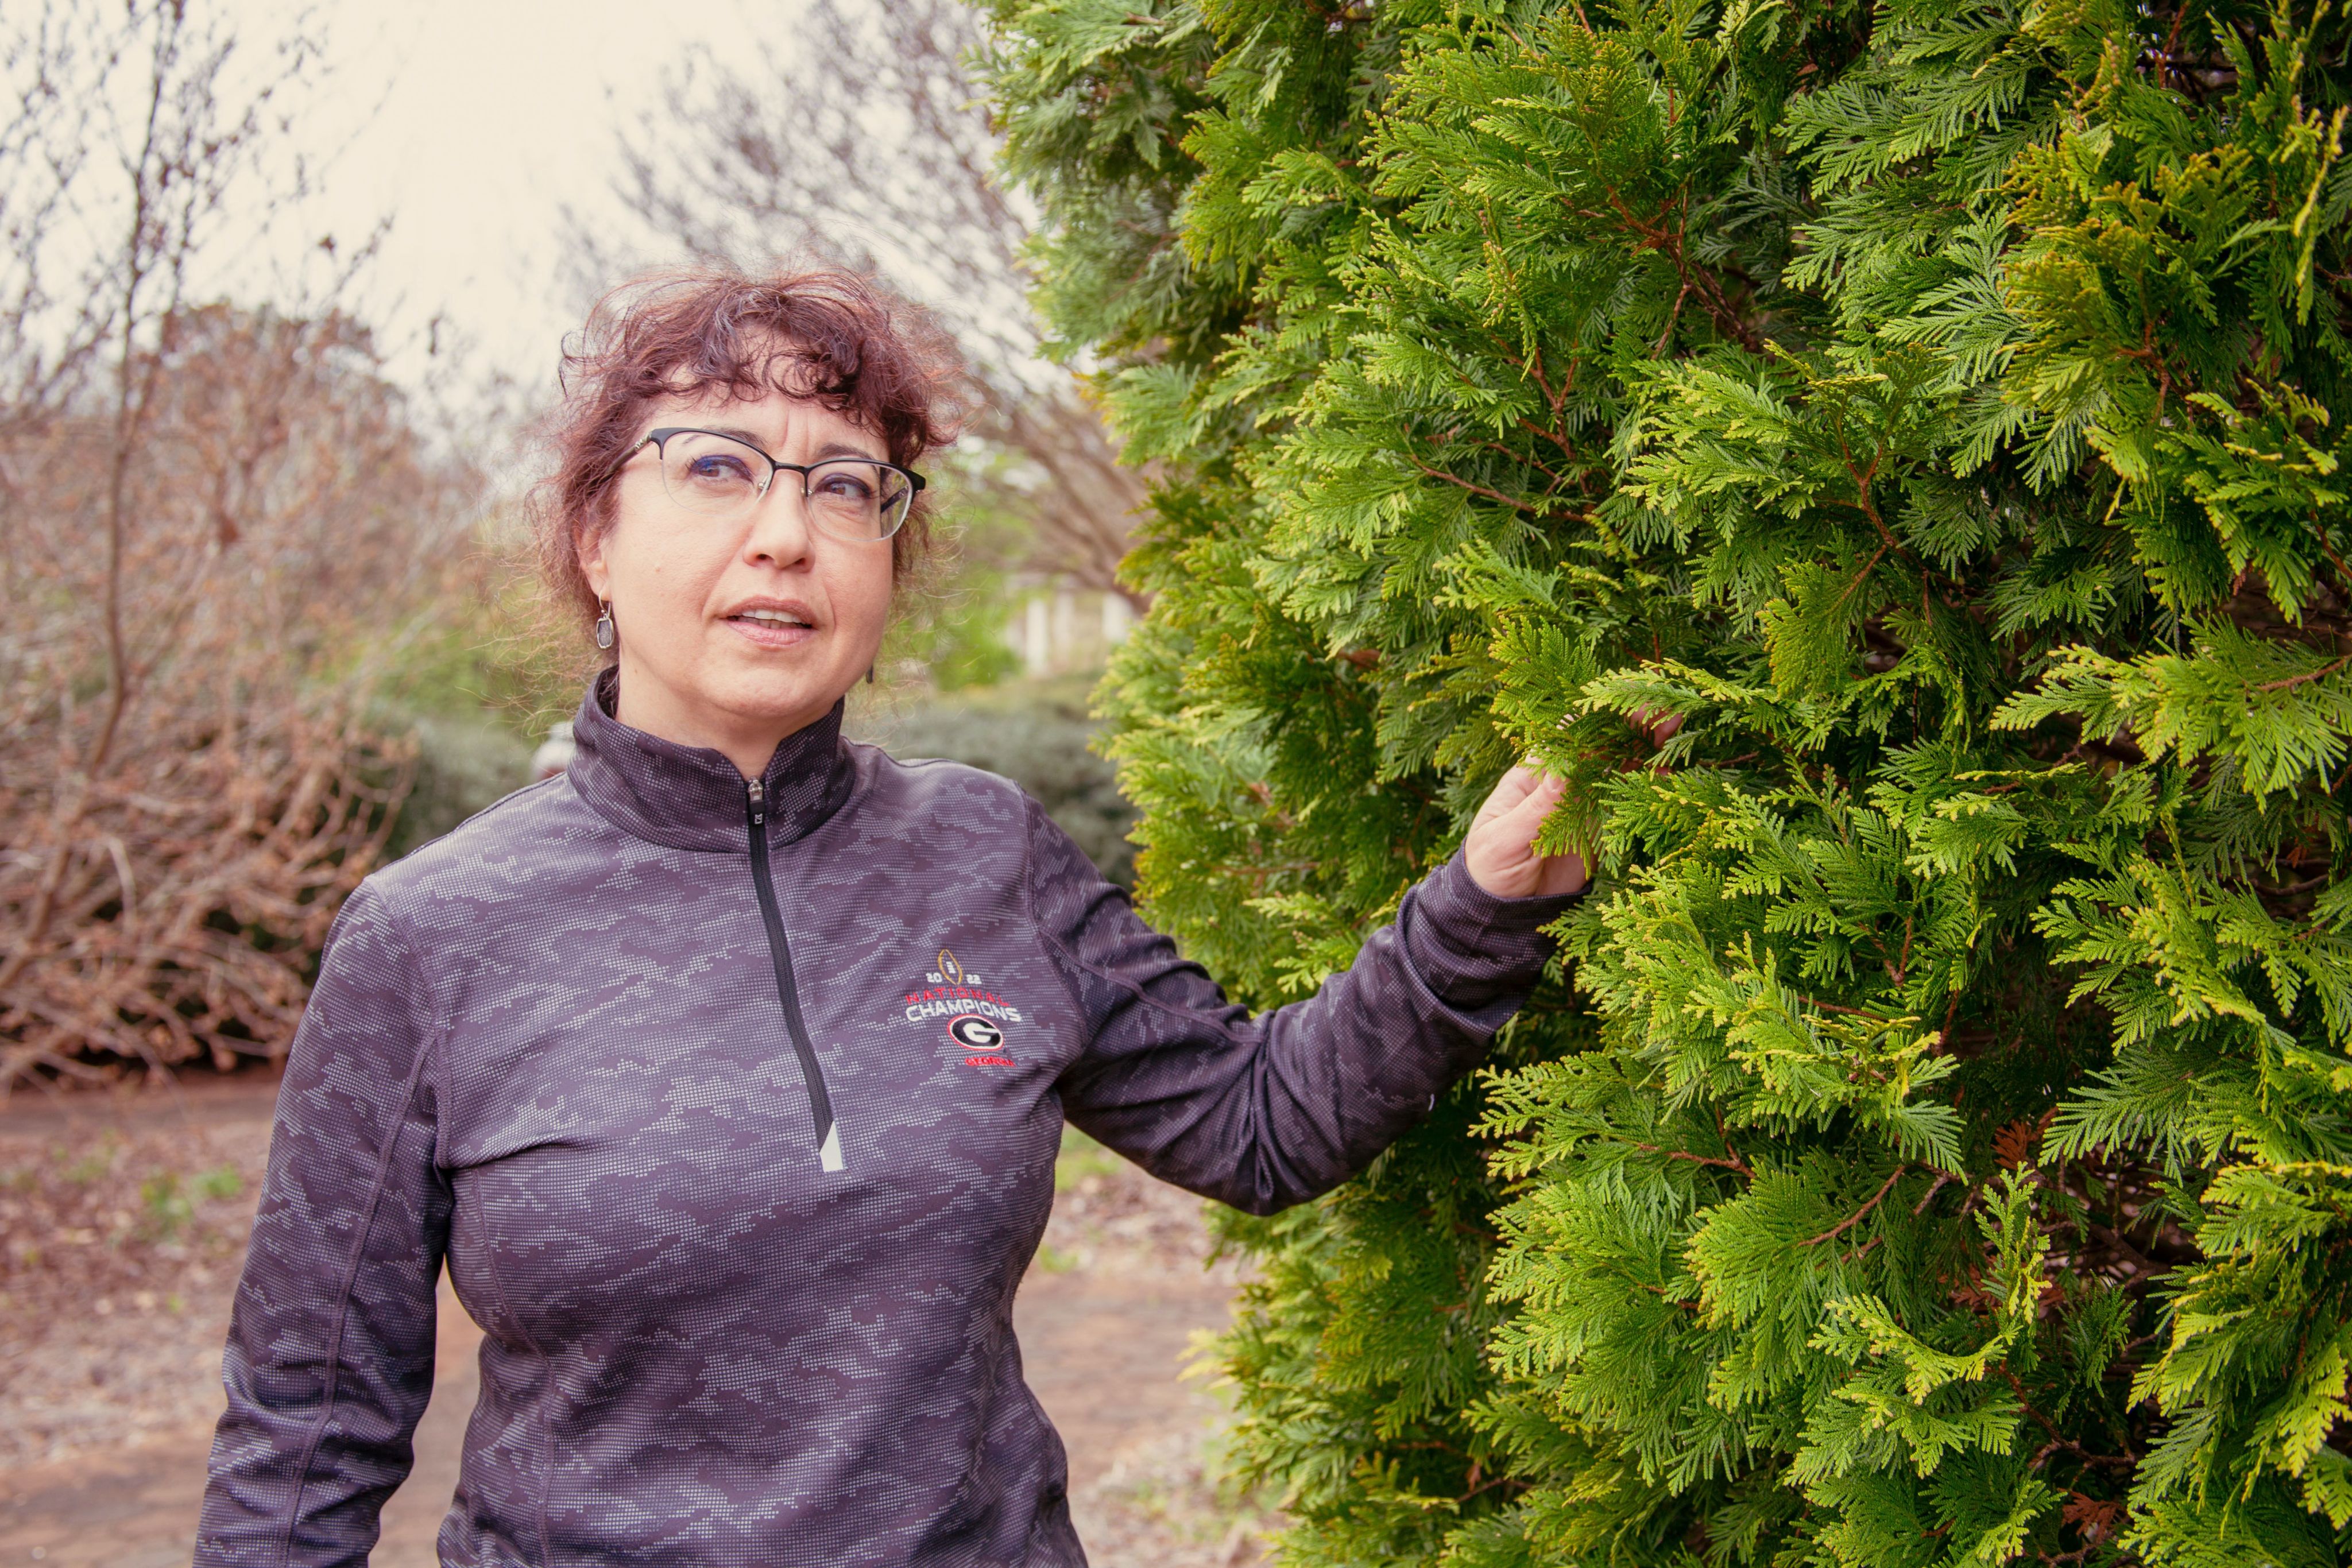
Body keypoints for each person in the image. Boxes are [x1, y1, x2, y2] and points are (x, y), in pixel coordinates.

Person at [194, 266, 1590, 1567]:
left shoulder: (986, 852)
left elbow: (1258, 1119)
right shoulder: (431, 933)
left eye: (846, 485)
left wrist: (1478, 906)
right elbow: (305, 1435)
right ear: (596, 540)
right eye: (718, 468)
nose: (786, 534)